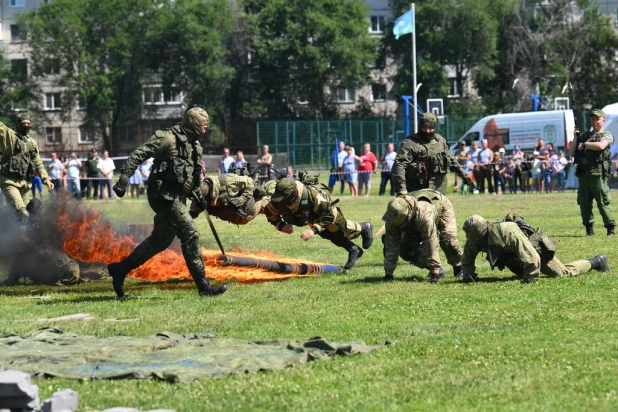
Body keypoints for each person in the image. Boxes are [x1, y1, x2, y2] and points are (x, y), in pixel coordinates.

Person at [108, 107, 228, 298]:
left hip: (177, 197)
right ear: (194, 124)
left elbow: (189, 176)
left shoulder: (193, 145)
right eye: (203, 124)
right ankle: (204, 287)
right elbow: (140, 153)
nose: (206, 128)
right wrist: (123, 179)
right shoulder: (168, 138)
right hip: (163, 197)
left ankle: (120, 269)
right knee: (190, 233)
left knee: (160, 240)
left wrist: (198, 196)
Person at [461, 215, 610, 283]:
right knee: (521, 271)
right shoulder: (475, 238)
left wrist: (531, 278)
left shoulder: (508, 231)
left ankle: (597, 261)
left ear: (478, 231)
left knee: (563, 273)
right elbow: (467, 258)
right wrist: (469, 277)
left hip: (535, 250)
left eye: (469, 233)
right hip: (515, 256)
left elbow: (531, 256)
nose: (466, 236)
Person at [265, 178, 374, 269]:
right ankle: (354, 250)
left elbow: (328, 215)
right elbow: (270, 214)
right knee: (330, 236)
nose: (281, 201)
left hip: (328, 213)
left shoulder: (312, 195)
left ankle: (365, 227)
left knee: (343, 230)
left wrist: (313, 231)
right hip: (312, 219)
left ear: (291, 194)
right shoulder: (278, 199)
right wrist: (281, 226)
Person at [382, 189, 462, 283]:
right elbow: (391, 245)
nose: (394, 222)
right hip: (412, 220)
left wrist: (434, 273)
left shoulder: (424, 215)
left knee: (448, 240)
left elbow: (431, 242)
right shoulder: (392, 219)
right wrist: (388, 274)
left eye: (396, 219)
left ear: (404, 213)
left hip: (441, 207)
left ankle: (459, 268)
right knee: (406, 250)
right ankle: (437, 270)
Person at [392, 113, 473, 195]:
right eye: (424, 128)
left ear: (435, 127)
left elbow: (451, 160)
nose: (427, 131)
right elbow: (399, 165)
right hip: (416, 189)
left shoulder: (440, 141)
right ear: (420, 126)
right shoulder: (410, 143)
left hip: (438, 189)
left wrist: (463, 175)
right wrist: (401, 188)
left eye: (430, 128)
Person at [0, 113, 53, 224]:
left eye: (28, 123)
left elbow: (38, 163)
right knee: (23, 213)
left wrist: (46, 179)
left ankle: (22, 239)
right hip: (9, 183)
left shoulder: (32, 143)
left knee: (31, 213)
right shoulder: (9, 136)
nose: (26, 125)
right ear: (18, 124)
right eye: (23, 123)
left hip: (25, 184)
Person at [570, 109, 616, 236]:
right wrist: (576, 138)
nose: (594, 121)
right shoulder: (584, 135)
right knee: (584, 203)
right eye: (592, 119)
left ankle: (610, 228)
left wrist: (584, 145)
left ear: (603, 120)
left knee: (603, 201)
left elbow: (601, 146)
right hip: (583, 174)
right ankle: (589, 229)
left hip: (598, 174)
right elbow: (572, 152)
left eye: (597, 119)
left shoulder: (607, 135)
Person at [192, 174, 271, 225]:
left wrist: (242, 199)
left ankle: (272, 186)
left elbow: (250, 182)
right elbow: (195, 209)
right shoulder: (200, 195)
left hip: (251, 208)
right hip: (236, 218)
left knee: (271, 208)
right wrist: (192, 214)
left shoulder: (228, 182)